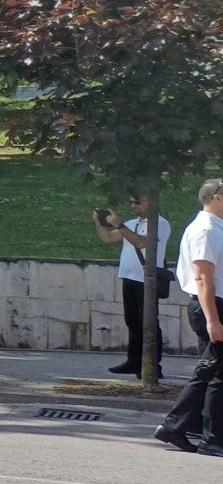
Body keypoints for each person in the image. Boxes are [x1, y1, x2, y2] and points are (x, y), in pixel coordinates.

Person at [154, 179, 223, 456]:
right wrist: (213, 320)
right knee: (217, 374)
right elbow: (203, 278)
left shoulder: (214, 227)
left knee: (210, 371)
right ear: (217, 197)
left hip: (212, 306)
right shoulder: (206, 230)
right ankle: (208, 439)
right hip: (212, 306)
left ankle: (184, 425)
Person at [94, 198, 174, 376]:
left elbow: (141, 243)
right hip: (129, 277)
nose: (133, 206)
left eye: (138, 202)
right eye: (131, 202)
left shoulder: (160, 224)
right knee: (132, 321)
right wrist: (99, 223)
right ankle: (133, 361)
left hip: (147, 279)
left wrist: (120, 225)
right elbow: (107, 238)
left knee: (148, 322)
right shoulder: (131, 224)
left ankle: (153, 366)